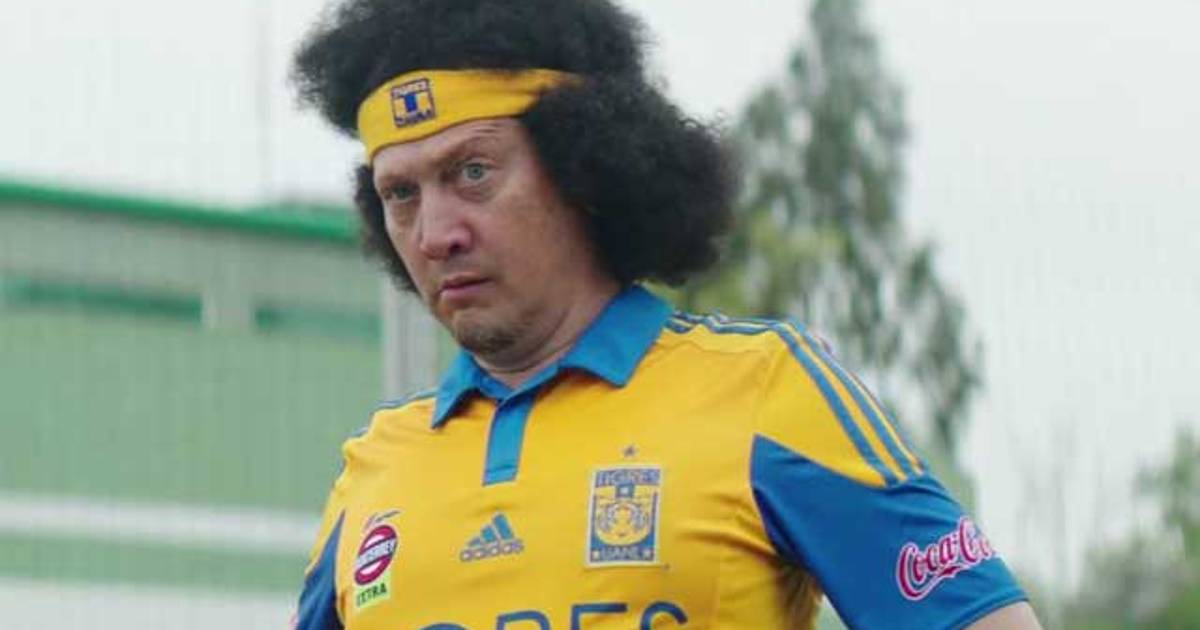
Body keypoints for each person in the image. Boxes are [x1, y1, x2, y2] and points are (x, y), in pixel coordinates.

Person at [291, 1, 1041, 628]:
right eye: (401, 194)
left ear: (582, 166)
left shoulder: (765, 392)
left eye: (473, 172)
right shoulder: (376, 468)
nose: (434, 233)